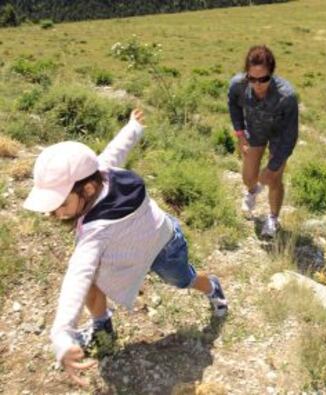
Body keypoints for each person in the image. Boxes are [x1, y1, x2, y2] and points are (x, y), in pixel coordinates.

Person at [23, 108, 228, 386]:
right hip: (126, 252)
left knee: (182, 280)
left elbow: (75, 276)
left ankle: (213, 288)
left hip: (163, 245)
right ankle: (102, 327)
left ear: (88, 189)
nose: (55, 213)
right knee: (92, 281)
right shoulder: (99, 174)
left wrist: (61, 331)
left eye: (61, 204)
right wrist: (132, 127)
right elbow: (115, 150)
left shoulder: (95, 232)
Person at [228, 45, 299, 237]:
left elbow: (290, 136)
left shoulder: (287, 96)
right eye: (252, 78)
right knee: (248, 177)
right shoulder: (238, 85)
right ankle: (252, 191)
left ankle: (273, 219)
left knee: (274, 179)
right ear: (247, 75)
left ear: (272, 74)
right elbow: (233, 104)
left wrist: (273, 167)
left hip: (279, 136)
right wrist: (240, 134)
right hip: (255, 132)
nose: (258, 84)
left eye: (264, 79)